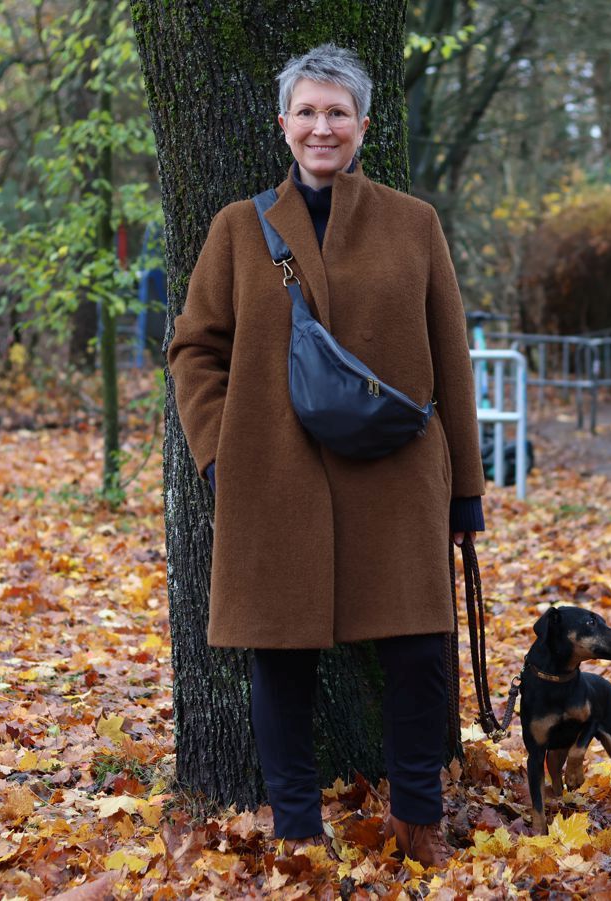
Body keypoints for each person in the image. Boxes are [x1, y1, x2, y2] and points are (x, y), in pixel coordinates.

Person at [167, 43, 485, 868]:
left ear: (364, 125)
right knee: (281, 657)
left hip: (399, 475)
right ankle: (299, 831)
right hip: (276, 481)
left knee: (418, 651)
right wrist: (218, 457)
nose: (321, 127)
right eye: (306, 111)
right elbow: (194, 350)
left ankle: (419, 823)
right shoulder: (240, 229)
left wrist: (467, 491)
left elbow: (453, 362)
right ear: (283, 125)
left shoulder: (414, 223)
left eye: (337, 112)